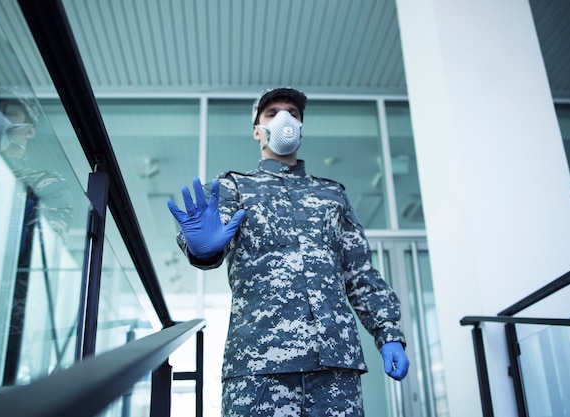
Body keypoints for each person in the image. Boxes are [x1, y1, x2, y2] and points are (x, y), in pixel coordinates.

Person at [168, 87, 409, 416]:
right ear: (257, 130)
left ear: (301, 127)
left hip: (335, 369)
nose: (285, 119)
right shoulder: (234, 187)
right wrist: (201, 250)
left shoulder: (332, 195)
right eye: (272, 113)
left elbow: (360, 273)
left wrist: (388, 332)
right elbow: (207, 240)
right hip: (259, 366)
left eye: (293, 114)